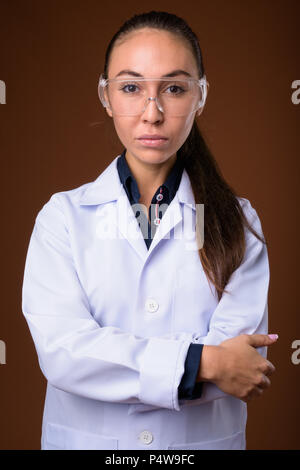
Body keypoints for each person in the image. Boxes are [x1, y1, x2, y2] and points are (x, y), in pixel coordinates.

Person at [21, 10, 278, 451]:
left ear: (200, 96)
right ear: (106, 96)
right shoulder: (62, 218)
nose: (152, 113)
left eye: (174, 89)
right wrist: (202, 362)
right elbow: (64, 354)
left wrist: (119, 368)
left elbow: (238, 370)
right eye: (131, 87)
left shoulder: (239, 221)